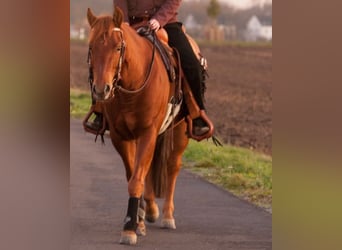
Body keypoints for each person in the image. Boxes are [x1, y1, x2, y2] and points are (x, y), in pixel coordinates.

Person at [87, 0, 210, 136]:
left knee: (192, 63)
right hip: (131, 24)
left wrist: (159, 19)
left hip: (166, 24)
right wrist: (124, 21)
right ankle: (100, 111)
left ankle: (198, 115)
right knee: (103, 55)